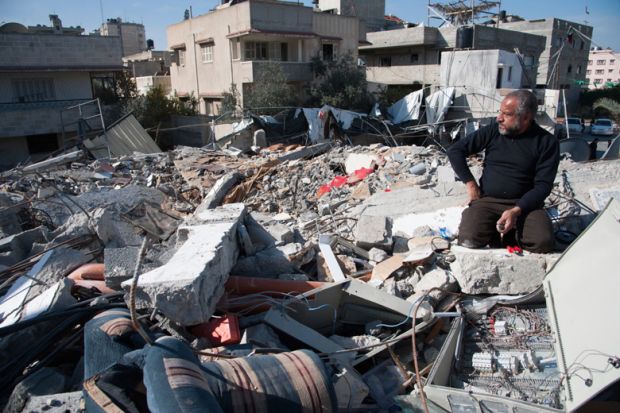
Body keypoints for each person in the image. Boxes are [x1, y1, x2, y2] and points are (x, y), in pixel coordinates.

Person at [447, 89, 560, 253]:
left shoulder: (546, 142)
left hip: (525, 205)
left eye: (506, 114)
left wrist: (516, 211)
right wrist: (471, 184)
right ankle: (495, 231)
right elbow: (455, 151)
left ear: (526, 117)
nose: (499, 118)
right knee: (468, 239)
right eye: (500, 112)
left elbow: (543, 186)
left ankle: (511, 233)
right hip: (488, 200)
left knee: (543, 242)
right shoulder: (493, 131)